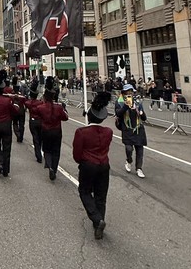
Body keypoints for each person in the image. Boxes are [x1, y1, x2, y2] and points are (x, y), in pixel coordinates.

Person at [73, 92, 113, 240]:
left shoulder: (82, 132)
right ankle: (98, 225)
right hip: (104, 165)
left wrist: (81, 162)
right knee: (101, 196)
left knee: (84, 191)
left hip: (88, 164)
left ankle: (97, 219)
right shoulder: (108, 132)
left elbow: (77, 153)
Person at [34, 79, 69, 180]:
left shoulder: (41, 107)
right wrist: (64, 108)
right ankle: (54, 167)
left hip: (46, 131)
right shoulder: (58, 108)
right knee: (56, 151)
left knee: (47, 150)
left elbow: (36, 114)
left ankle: (49, 166)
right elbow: (65, 117)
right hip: (57, 131)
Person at [115, 83, 147, 178]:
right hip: (127, 129)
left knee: (139, 149)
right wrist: (125, 106)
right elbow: (118, 113)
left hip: (138, 128)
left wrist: (140, 112)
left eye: (131, 92)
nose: (129, 94)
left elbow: (144, 118)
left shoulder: (137, 102)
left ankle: (139, 168)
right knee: (129, 148)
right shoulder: (120, 102)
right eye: (127, 92)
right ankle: (129, 161)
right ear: (123, 93)